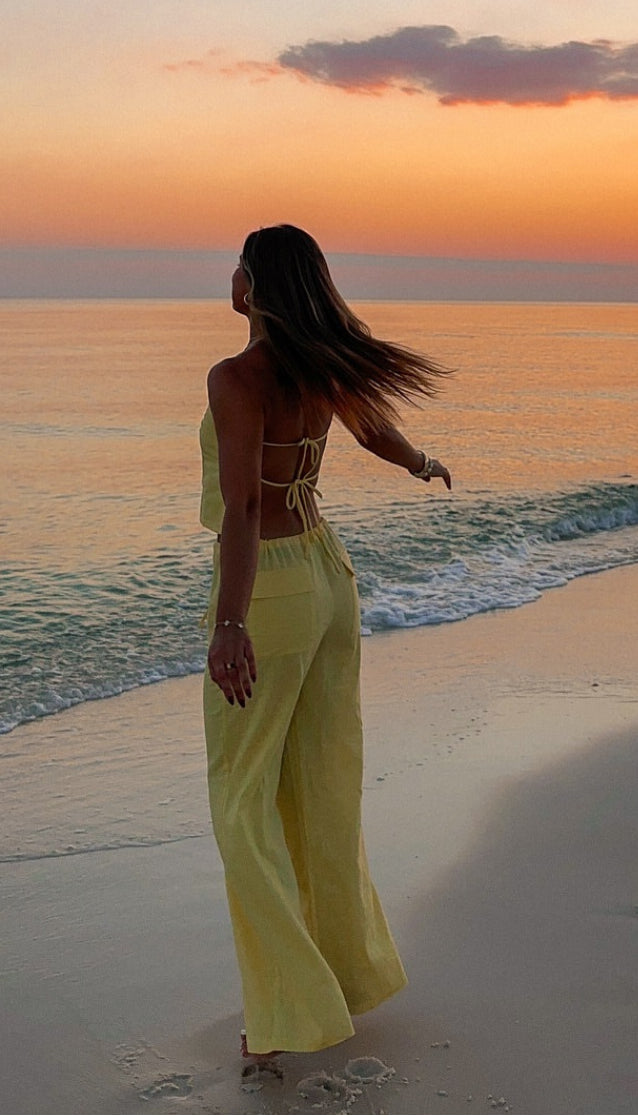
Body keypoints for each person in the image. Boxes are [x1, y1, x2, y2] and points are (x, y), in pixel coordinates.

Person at [199, 225, 451, 1065]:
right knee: (322, 784)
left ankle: (286, 1012)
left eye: (238, 263)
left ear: (256, 283)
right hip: (328, 575)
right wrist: (419, 463)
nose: (228, 275)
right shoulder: (319, 366)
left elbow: (239, 510)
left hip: (268, 588)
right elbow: (376, 431)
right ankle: (343, 981)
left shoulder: (237, 378)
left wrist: (229, 623)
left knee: (241, 802)